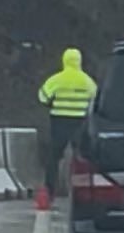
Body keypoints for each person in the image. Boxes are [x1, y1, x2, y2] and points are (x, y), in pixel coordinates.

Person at [38, 48, 98, 193]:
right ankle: (88, 188)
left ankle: (49, 190)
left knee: (54, 155)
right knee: (85, 156)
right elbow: (95, 100)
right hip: (81, 123)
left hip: (59, 121)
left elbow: (43, 97)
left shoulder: (56, 79)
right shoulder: (87, 81)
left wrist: (52, 104)